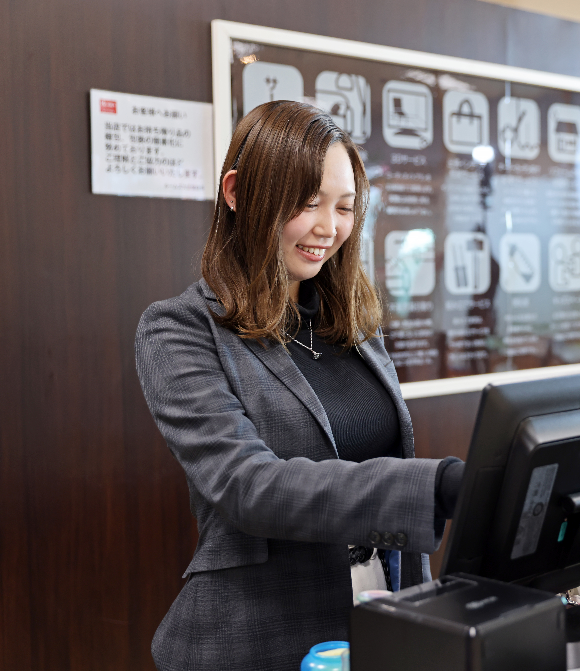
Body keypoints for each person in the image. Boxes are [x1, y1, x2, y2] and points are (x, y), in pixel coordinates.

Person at [135, 100, 464, 671]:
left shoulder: (352, 322)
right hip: (258, 640)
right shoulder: (180, 329)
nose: (328, 229)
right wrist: (431, 487)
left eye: (344, 208)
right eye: (308, 203)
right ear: (236, 192)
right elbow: (247, 485)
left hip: (380, 616)